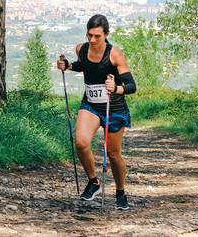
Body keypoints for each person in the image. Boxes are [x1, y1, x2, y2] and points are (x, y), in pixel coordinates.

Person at [56, 14, 137, 210]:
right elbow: (85, 66)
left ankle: (120, 192)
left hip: (114, 108)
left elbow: (131, 86)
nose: (92, 40)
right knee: (81, 143)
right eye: (89, 35)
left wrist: (116, 88)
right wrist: (68, 66)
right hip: (91, 104)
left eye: (97, 36)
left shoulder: (114, 55)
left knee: (113, 154)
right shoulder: (81, 49)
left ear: (106, 34)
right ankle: (94, 182)